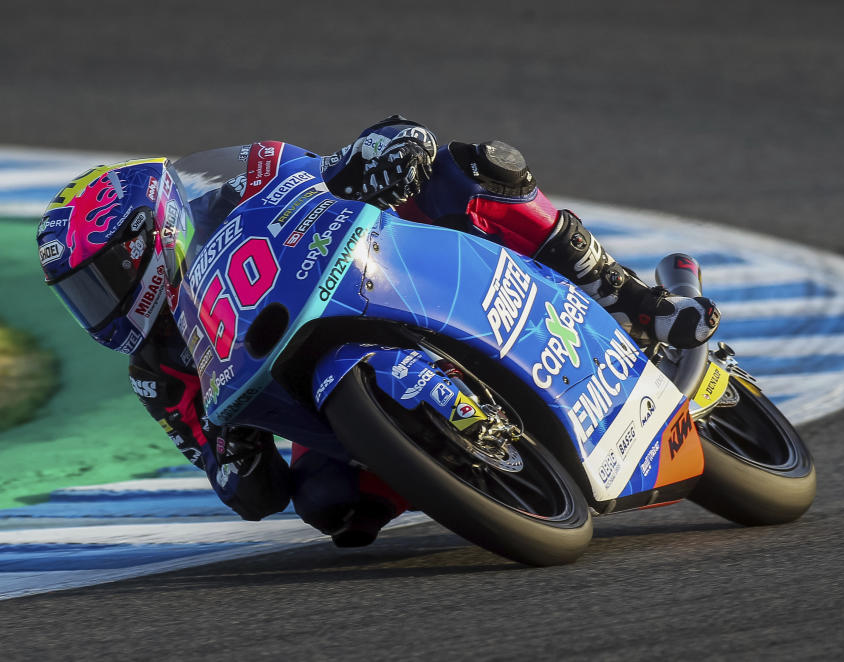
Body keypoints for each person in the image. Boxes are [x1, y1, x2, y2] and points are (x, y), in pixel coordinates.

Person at [36, 116, 720, 547]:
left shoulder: (244, 179)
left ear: (147, 235)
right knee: (328, 504)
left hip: (388, 272)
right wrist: (232, 448)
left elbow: (359, 155)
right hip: (324, 384)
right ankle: (455, 467)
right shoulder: (156, 369)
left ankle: (628, 295)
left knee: (471, 169)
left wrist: (377, 155)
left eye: (101, 281)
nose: (99, 307)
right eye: (80, 296)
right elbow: (247, 491)